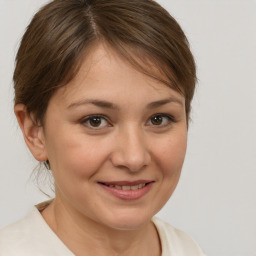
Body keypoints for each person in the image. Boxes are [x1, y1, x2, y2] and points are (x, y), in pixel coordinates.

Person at [0, 0, 206, 255]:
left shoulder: (188, 249)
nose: (133, 158)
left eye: (158, 119)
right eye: (95, 121)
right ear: (35, 132)